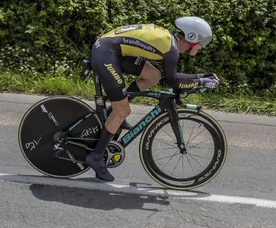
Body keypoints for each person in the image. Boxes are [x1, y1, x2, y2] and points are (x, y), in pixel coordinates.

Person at [85, 16, 220, 182]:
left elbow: (170, 77)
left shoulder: (169, 42)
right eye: (201, 44)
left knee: (153, 75)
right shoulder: (171, 50)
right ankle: (96, 156)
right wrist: (201, 81)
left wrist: (202, 77)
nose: (201, 48)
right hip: (106, 53)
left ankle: (114, 114)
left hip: (111, 48)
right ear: (192, 38)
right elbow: (174, 82)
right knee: (124, 110)